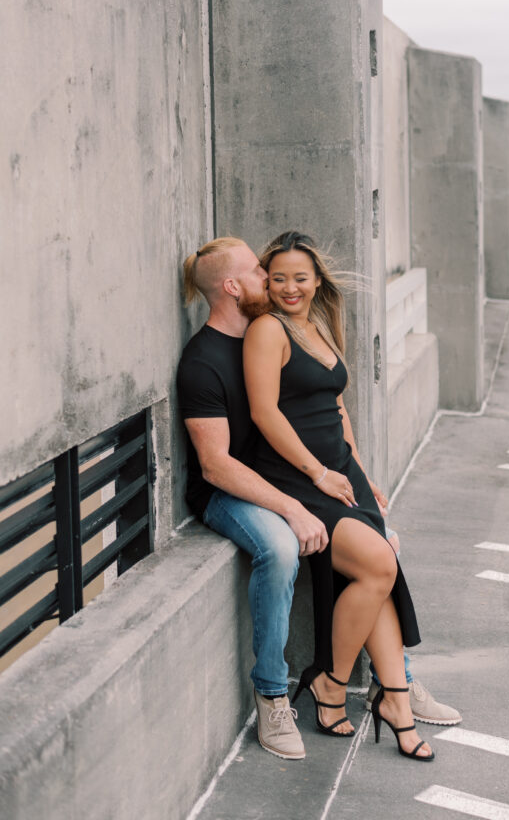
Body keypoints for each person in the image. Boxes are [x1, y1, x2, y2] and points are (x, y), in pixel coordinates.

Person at [177, 236, 460, 762]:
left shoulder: (283, 328)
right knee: (289, 550)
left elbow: (330, 406)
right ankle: (279, 693)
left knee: (383, 551)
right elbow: (222, 460)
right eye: (266, 274)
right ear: (235, 286)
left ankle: (394, 686)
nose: (276, 282)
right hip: (250, 486)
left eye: (290, 275)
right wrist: (300, 495)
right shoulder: (210, 358)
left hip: (318, 475)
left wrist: (356, 469)